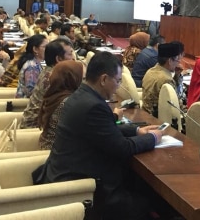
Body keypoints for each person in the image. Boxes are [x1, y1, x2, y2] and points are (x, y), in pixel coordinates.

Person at [38, 52, 162, 219]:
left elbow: (103, 128)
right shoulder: (93, 106)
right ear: (104, 79)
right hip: (81, 186)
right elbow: (122, 148)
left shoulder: (81, 95)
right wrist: (153, 138)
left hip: (67, 171)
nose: (118, 86)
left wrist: (137, 131)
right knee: (148, 202)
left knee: (136, 184)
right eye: (118, 81)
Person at [20, 39, 74, 129]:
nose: (73, 58)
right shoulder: (54, 78)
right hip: (35, 128)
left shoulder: (48, 71)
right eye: (70, 54)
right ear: (59, 59)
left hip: (41, 123)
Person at [37, 60, 84, 150]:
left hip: (47, 146)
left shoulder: (56, 94)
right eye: (83, 78)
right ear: (72, 79)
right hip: (54, 153)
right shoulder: (67, 103)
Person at [141, 42, 183, 114]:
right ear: (170, 61)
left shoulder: (150, 71)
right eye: (177, 60)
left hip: (146, 112)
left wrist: (176, 75)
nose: (178, 64)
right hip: (159, 118)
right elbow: (178, 106)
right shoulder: (167, 80)